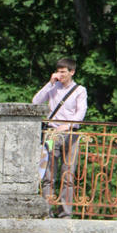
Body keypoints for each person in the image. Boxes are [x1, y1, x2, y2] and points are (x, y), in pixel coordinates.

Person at [32, 57, 88, 218]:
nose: (60, 75)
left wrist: (69, 125)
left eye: (63, 72)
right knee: (48, 175)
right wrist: (49, 83)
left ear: (72, 72)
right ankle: (46, 211)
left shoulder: (80, 90)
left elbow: (81, 112)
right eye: (58, 71)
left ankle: (65, 213)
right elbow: (36, 101)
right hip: (52, 133)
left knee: (68, 175)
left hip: (70, 134)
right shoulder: (53, 87)